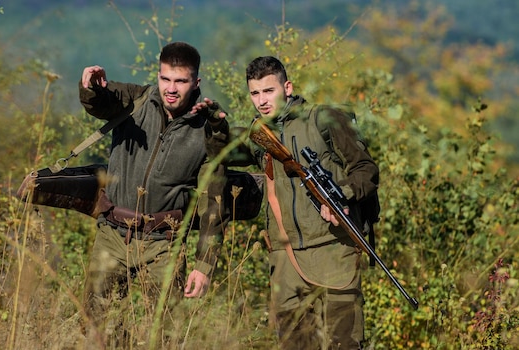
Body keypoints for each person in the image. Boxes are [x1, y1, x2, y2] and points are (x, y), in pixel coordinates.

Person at [78, 42, 229, 347]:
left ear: (196, 83)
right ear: (158, 75)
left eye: (180, 81)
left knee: (161, 336)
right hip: (113, 236)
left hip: (164, 244)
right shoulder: (136, 99)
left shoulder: (207, 130)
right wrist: (91, 88)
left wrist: (204, 263)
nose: (170, 89)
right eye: (165, 79)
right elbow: (101, 101)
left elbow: (213, 200)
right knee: (96, 331)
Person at [242, 56, 380, 349]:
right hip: (285, 262)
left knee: (344, 343)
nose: (262, 101)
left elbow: (366, 170)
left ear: (287, 87)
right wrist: (213, 128)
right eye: (255, 93)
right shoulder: (260, 135)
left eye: (269, 91)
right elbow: (216, 155)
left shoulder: (322, 118)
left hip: (333, 253)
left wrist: (341, 195)